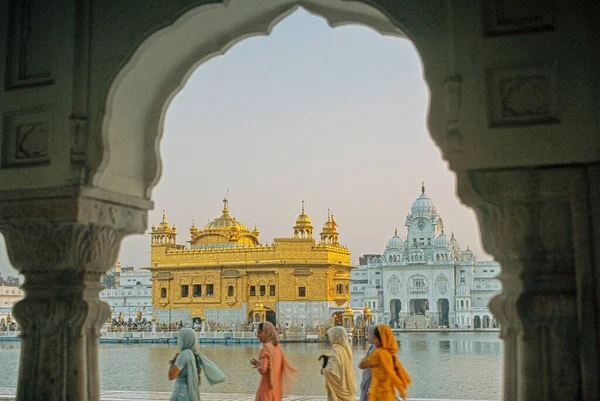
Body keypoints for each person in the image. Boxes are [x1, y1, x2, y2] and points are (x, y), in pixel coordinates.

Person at [358, 325, 411, 401]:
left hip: (378, 395)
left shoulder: (378, 354)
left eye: (375, 338)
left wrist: (368, 355)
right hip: (389, 394)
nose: (374, 340)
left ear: (381, 339)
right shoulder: (392, 354)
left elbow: (361, 365)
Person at [250, 321, 298, 400]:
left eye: (259, 333)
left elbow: (263, 369)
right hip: (276, 389)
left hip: (266, 389)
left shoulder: (266, 348)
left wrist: (258, 364)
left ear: (266, 333)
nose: (257, 335)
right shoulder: (277, 347)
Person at [321, 326, 357, 401]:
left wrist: (323, 369)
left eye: (331, 335)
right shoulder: (344, 349)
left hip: (338, 391)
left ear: (335, 336)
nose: (330, 338)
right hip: (345, 386)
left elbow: (330, 370)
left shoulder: (336, 350)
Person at [168, 328, 203, 401]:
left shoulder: (183, 355)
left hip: (181, 394)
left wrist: (173, 361)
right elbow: (198, 372)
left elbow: (171, 376)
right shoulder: (196, 354)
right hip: (192, 393)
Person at [359, 326, 377, 401]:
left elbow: (369, 373)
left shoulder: (375, 350)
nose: (366, 335)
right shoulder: (374, 348)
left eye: (368, 333)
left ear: (373, 335)